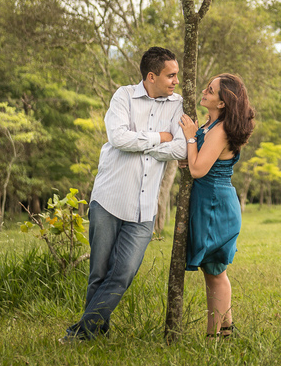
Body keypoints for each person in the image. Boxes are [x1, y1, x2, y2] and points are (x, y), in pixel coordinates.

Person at [62, 46, 188, 342]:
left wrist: (142, 141)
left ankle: (80, 332)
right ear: (151, 76)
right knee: (99, 272)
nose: (176, 81)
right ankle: (95, 334)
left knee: (125, 272)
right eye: (171, 76)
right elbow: (117, 137)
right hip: (109, 199)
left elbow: (181, 147)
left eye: (177, 75)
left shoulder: (177, 104)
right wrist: (160, 138)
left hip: (145, 208)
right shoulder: (124, 96)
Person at [180, 73, 256, 338]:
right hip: (208, 201)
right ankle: (226, 331)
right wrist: (192, 147)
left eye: (210, 90)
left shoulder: (221, 130)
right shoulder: (210, 126)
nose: (204, 91)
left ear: (222, 102)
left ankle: (212, 337)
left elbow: (199, 169)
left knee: (215, 271)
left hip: (216, 203)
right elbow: (198, 160)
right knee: (211, 269)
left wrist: (190, 138)